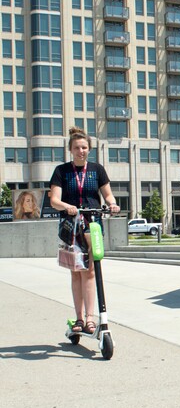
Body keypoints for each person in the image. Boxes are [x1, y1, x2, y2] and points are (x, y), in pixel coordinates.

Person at [50, 127, 121, 334]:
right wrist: (66, 206)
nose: (81, 151)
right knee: (75, 272)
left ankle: (91, 318)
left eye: (84, 147)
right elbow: (54, 200)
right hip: (71, 226)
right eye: (76, 147)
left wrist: (113, 204)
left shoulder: (97, 170)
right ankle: (79, 318)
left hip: (93, 224)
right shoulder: (61, 171)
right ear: (71, 150)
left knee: (90, 270)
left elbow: (108, 195)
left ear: (89, 149)